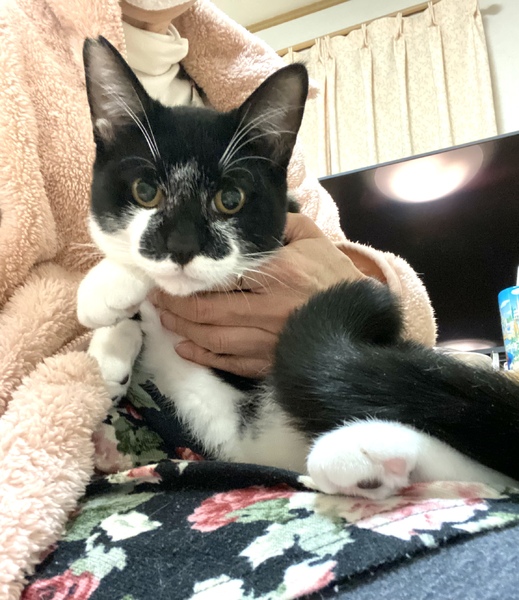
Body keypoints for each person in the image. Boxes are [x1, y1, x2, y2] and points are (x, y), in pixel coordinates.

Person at [0, 0, 435, 594]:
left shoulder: (243, 72)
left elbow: (350, 276)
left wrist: (354, 291)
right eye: (149, 193)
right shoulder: (14, 36)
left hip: (295, 415)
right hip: (66, 447)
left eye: (226, 201)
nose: (180, 249)